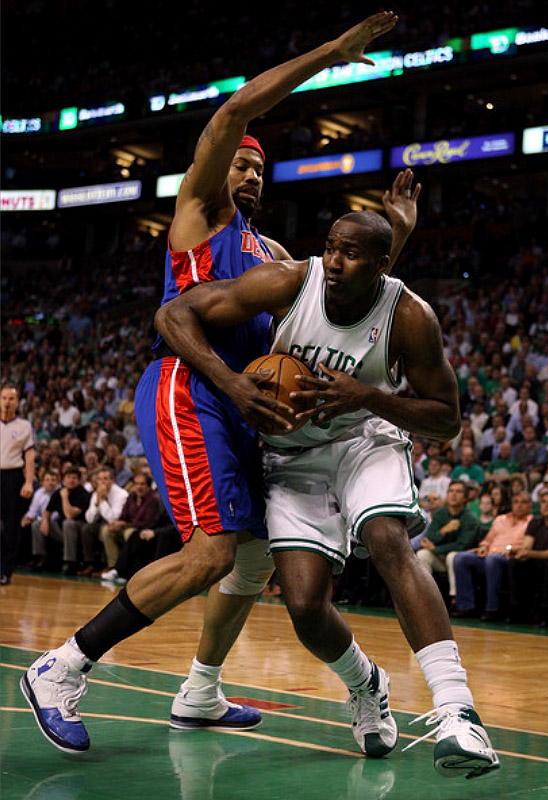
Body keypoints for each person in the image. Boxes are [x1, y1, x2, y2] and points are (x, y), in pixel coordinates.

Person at [21, 11, 415, 755]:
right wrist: (333, 52)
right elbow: (237, 111)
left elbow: (339, 306)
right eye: (241, 162)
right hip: (191, 383)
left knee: (257, 552)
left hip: (246, 404)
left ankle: (201, 689)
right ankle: (60, 667)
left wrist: (399, 232)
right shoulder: (200, 214)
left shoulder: (272, 251)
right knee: (209, 552)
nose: (249, 172)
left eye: (258, 169)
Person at [152, 208, 499, 778]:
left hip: (366, 437)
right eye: (332, 248)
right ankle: (367, 684)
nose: (335, 263)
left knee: (388, 540)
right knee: (306, 604)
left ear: (382, 264)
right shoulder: (292, 281)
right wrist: (233, 383)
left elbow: (447, 419)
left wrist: (366, 396)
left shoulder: (411, 316)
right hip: (293, 454)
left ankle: (459, 712)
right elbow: (173, 314)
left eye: (353, 254)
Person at [452, 491, 532, 621]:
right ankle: (465, 606)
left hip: (509, 559)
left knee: (492, 560)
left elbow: (528, 545)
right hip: (489, 555)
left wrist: (511, 549)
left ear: (530, 506)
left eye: (523, 502)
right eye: (516, 502)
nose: (519, 505)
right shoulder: (500, 519)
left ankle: (492, 609)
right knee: (460, 558)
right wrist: (483, 546)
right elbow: (488, 539)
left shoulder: (531, 522)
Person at [415, 480, 481, 606]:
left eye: (458, 492)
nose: (453, 495)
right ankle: (425, 597)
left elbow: (462, 546)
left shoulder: (470, 518)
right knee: (423, 554)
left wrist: (436, 549)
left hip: (462, 560)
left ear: (465, 498)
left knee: (453, 556)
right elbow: (429, 537)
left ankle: (455, 599)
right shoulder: (440, 513)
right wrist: (444, 530)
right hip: (441, 558)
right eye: (451, 491)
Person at [506, 488, 548, 625]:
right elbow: (527, 546)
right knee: (514, 564)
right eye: (543, 502)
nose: (546, 505)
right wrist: (519, 552)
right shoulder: (535, 522)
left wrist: (529, 553)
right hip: (538, 561)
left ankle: (547, 614)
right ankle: (518, 610)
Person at [1, 383, 35, 584]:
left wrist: (29, 482)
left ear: (17, 401)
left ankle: (5, 570)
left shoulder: (24, 426)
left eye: (11, 398)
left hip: (13, 477)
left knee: (11, 526)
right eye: (4, 398)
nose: (7, 402)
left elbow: (29, 457)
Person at [33, 465, 91, 575]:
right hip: (62, 531)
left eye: (74, 478)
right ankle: (41, 558)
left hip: (78, 529)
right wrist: (45, 520)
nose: (71, 480)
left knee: (68, 523)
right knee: (37, 524)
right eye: (68, 477)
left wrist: (64, 497)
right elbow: (47, 511)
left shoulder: (83, 494)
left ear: (79, 480)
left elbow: (70, 515)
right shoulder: (58, 492)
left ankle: (70, 562)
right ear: (64, 479)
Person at [98, 471, 160, 573]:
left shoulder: (153, 499)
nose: (139, 487)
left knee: (130, 533)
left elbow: (148, 523)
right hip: (128, 526)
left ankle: (127, 569)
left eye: (142, 484)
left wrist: (125, 525)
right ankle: (114, 567)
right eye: (136, 484)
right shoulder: (132, 496)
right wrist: (117, 524)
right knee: (106, 530)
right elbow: (124, 515)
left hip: (144, 531)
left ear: (148, 486)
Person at [79, 466, 128, 575]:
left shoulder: (121, 495)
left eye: (105, 478)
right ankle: (90, 564)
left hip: (119, 525)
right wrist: (97, 501)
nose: (102, 482)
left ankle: (110, 567)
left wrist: (102, 500)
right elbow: (89, 519)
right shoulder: (97, 493)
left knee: (105, 529)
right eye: (100, 479)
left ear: (112, 480)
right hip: (102, 524)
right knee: (86, 529)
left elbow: (113, 519)